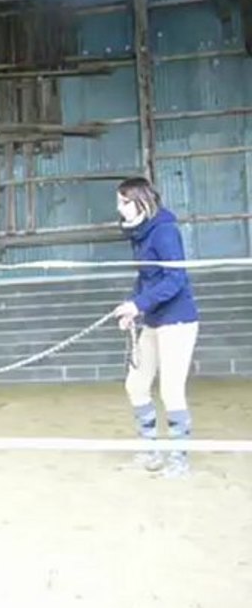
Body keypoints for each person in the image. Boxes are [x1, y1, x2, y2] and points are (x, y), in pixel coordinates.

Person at [112, 176, 199, 477]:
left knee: (171, 389)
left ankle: (179, 460)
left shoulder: (164, 232)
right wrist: (134, 308)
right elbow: (146, 278)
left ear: (140, 201)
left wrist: (139, 304)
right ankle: (150, 450)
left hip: (177, 319)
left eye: (123, 201)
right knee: (136, 384)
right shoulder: (141, 235)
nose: (119, 208)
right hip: (153, 319)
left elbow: (175, 279)